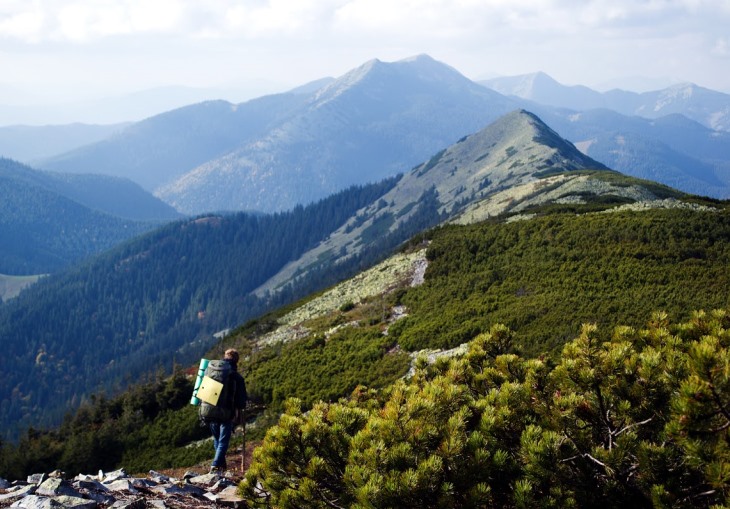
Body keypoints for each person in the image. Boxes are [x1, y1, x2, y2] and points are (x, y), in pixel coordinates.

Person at [208, 348, 247, 474]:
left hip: (210, 410)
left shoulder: (212, 371)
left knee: (217, 440)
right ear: (236, 360)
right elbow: (241, 402)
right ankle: (215, 465)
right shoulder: (237, 377)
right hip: (226, 413)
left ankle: (221, 468)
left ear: (224, 357)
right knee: (223, 441)